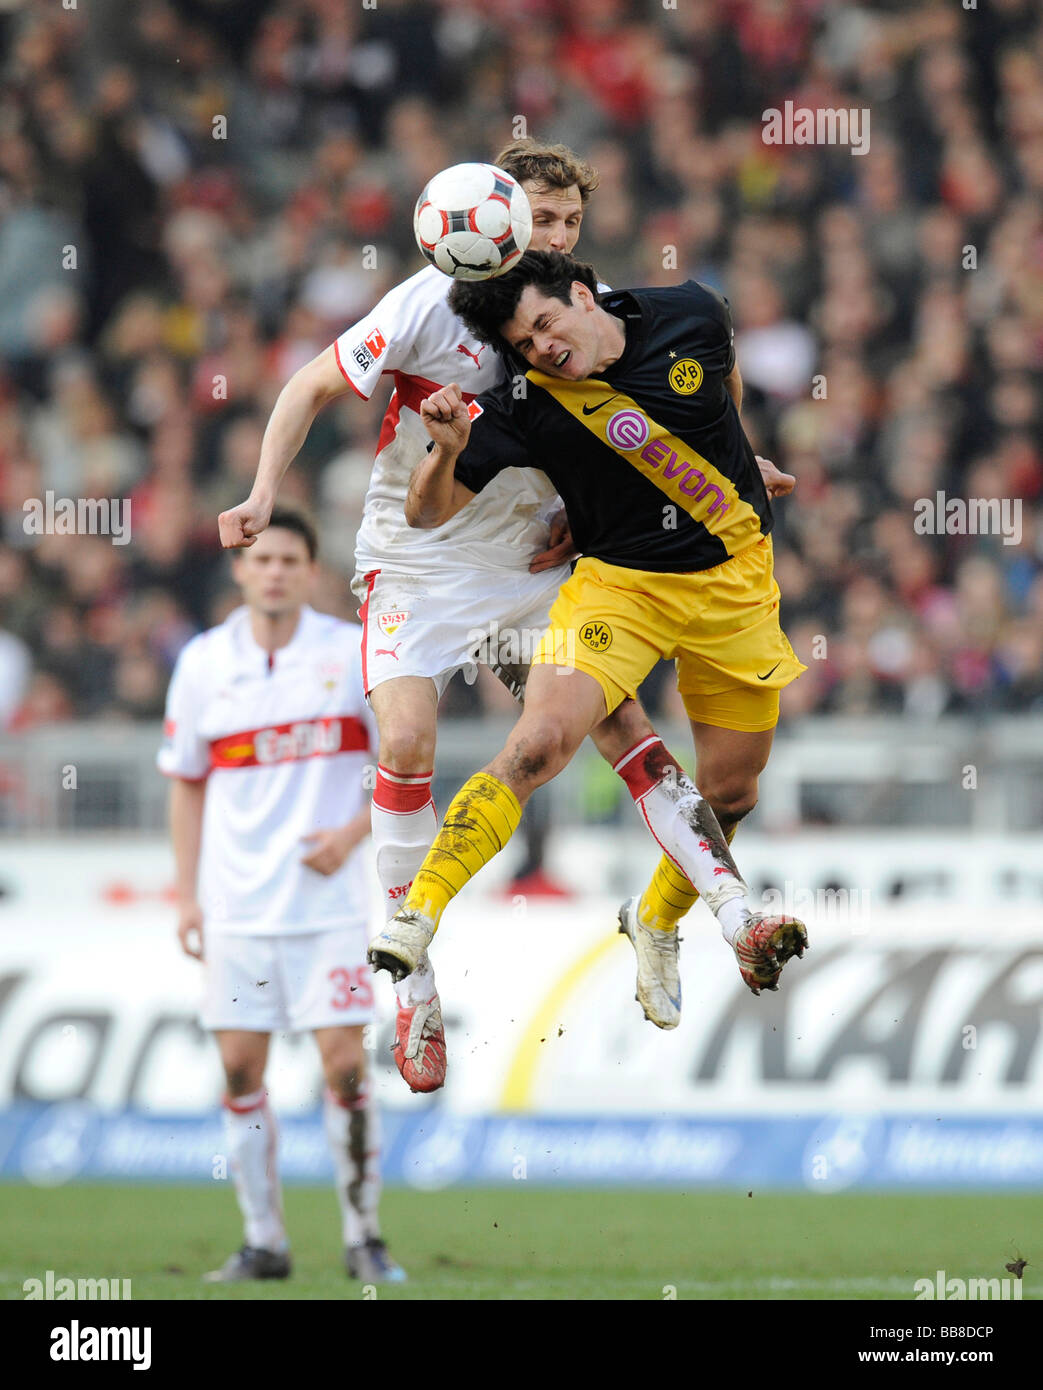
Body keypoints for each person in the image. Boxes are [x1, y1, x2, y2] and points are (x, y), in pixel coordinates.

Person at [217, 140, 749, 1088]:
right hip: (417, 559)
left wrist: (600, 520)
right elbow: (307, 387)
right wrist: (262, 493)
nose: (549, 239)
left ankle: (732, 914)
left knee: (615, 719)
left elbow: (655, 425)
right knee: (409, 745)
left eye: (566, 225)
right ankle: (412, 984)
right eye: (537, 220)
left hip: (523, 563)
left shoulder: (571, 312)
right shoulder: (428, 303)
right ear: (491, 215)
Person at [368, 251, 809, 1017]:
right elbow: (424, 513)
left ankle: (652, 921)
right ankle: (418, 914)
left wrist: (738, 452)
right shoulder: (524, 399)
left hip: (735, 585)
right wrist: (443, 449)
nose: (541, 346)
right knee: (537, 743)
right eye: (525, 341)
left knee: (731, 789)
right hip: (618, 592)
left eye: (544, 323)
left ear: (582, 295)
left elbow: (723, 369)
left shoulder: (690, 314)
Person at [159, 509, 404, 1285]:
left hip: (326, 910)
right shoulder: (203, 663)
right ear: (240, 569)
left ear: (309, 570)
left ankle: (363, 1234)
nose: (273, 572)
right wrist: (186, 896)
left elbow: (404, 760)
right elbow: (186, 784)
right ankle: (264, 1239)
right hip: (235, 910)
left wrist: (351, 833)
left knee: (344, 1070)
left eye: (289, 560)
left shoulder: (348, 652)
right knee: (239, 1070)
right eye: (261, 559)